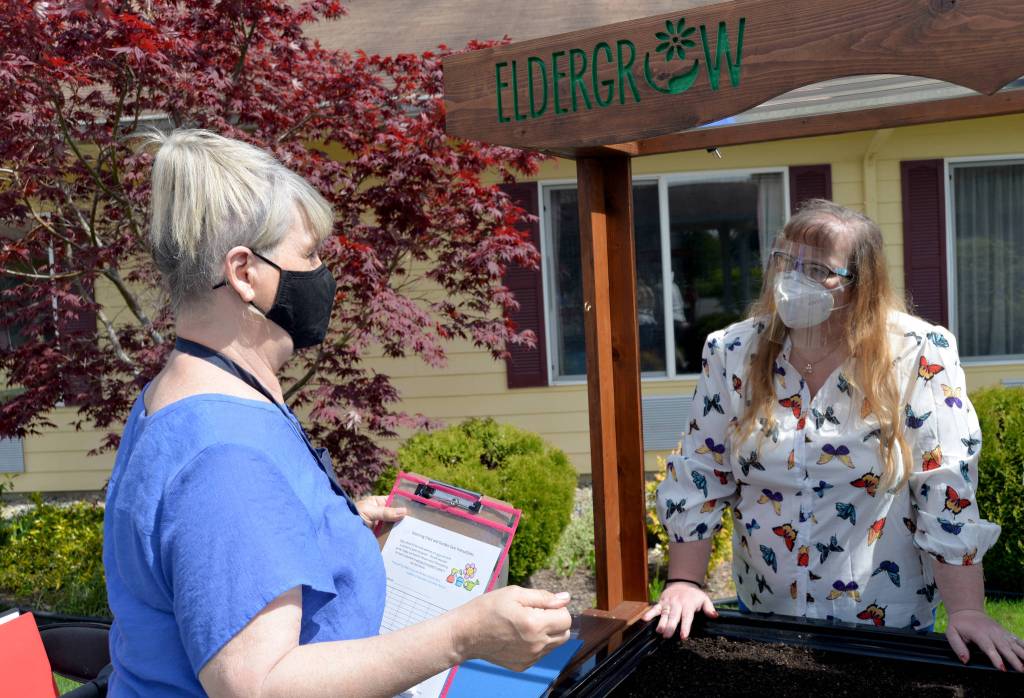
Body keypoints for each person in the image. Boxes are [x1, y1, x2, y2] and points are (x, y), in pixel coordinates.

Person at [102, 129, 571, 697]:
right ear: (244, 273)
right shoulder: (226, 456)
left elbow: (225, 553)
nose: (324, 272)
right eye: (310, 255)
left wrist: (329, 534)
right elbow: (259, 686)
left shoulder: (178, 396)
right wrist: (463, 635)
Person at [644, 200, 1024, 672]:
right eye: (785, 260)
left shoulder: (920, 353)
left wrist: (967, 610)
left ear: (859, 284)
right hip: (766, 621)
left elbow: (945, 484)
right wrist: (686, 582)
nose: (792, 277)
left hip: (884, 630)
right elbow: (701, 470)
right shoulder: (732, 352)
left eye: (817, 268)